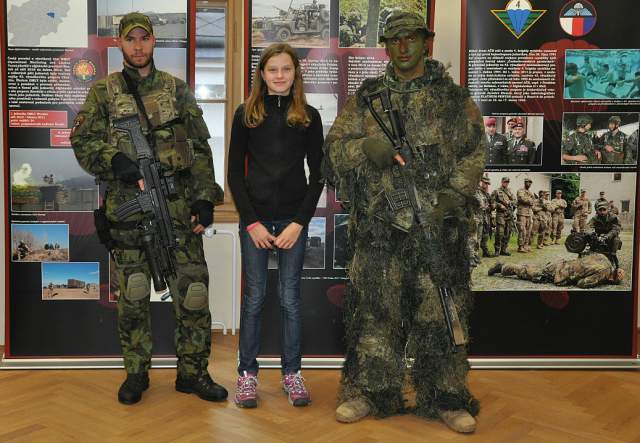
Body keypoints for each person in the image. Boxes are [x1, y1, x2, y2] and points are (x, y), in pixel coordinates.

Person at [323, 11, 484, 433]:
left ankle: (445, 398)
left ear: (425, 42)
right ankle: (371, 392)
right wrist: (366, 147)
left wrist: (452, 196)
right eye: (395, 39)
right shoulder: (367, 99)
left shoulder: (453, 99)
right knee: (376, 314)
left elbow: (474, 152)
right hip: (381, 230)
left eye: (411, 37)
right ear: (386, 47)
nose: (403, 46)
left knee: (440, 315)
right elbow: (333, 151)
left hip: (437, 229)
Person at [71, 13, 227, 405]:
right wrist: (114, 160)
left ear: (154, 41)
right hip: (130, 213)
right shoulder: (103, 92)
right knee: (134, 295)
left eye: (144, 38)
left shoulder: (177, 90)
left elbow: (200, 148)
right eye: (131, 39)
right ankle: (136, 373)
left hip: (178, 212)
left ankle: (193, 373)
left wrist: (204, 198)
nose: (138, 46)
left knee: (193, 294)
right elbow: (82, 141)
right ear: (120, 44)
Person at [227, 43, 324, 409]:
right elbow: (234, 174)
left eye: (286, 69)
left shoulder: (309, 117)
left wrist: (299, 223)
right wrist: (251, 222)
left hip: (292, 222)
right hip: (255, 220)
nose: (280, 75)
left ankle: (292, 373)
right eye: (273, 69)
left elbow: (318, 176)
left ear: (295, 73)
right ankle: (247, 374)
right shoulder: (246, 115)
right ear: (262, 75)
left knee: (289, 299)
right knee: (254, 298)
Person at [487, 252, 623, 289]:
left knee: (535, 270)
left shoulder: (604, 258)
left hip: (564, 263)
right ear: (612, 279)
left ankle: (509, 266)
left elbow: (585, 255)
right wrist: (599, 282)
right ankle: (502, 267)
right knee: (529, 273)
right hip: (560, 273)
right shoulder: (603, 273)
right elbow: (581, 283)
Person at [587, 201, 622, 270]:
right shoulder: (595, 218)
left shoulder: (613, 217)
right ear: (597, 211)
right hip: (598, 237)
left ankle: (613, 257)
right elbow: (588, 226)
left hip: (610, 237)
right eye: (600, 210)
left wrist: (607, 236)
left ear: (608, 209)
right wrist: (592, 233)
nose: (602, 212)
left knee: (616, 240)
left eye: (604, 209)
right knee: (590, 239)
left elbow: (616, 229)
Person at [492, 177, 516, 256]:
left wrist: (510, 202)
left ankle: (504, 249)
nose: (506, 183)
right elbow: (492, 202)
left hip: (509, 214)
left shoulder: (510, 192)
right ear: (502, 182)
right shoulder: (496, 191)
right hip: (501, 214)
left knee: (507, 232)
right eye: (505, 182)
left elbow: (515, 201)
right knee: (500, 233)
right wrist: (499, 205)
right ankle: (497, 250)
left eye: (507, 182)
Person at [475, 175, 493, 258]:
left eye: (487, 184)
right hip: (477, 217)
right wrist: (485, 206)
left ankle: (484, 251)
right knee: (476, 236)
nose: (486, 185)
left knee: (484, 235)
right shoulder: (477, 192)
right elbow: (479, 205)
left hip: (485, 217)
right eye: (485, 183)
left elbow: (492, 203)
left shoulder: (487, 194)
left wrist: (492, 205)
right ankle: (475, 254)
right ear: (481, 182)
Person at [516, 178, 535, 253]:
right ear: (525, 183)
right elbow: (522, 199)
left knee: (528, 230)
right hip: (522, 213)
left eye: (530, 183)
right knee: (522, 230)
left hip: (529, 213)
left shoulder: (530, 192)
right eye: (528, 182)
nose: (529, 184)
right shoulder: (520, 190)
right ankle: (520, 246)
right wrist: (530, 200)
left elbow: (534, 201)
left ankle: (525, 245)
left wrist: (529, 200)